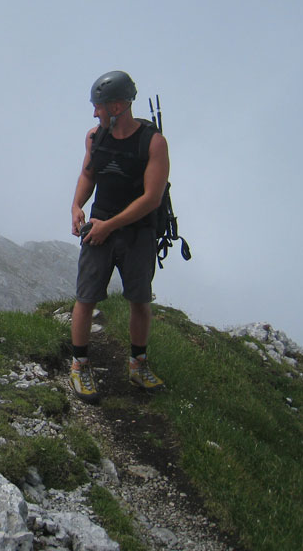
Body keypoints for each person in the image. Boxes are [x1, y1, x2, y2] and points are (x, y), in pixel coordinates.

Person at [69, 70, 169, 403]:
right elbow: (89, 175)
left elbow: (152, 198)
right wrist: (76, 206)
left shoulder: (152, 143)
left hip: (138, 232)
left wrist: (109, 226)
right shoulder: (95, 138)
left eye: (97, 106)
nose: (94, 113)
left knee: (139, 299)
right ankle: (79, 365)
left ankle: (138, 365)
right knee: (86, 298)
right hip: (99, 226)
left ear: (116, 107)